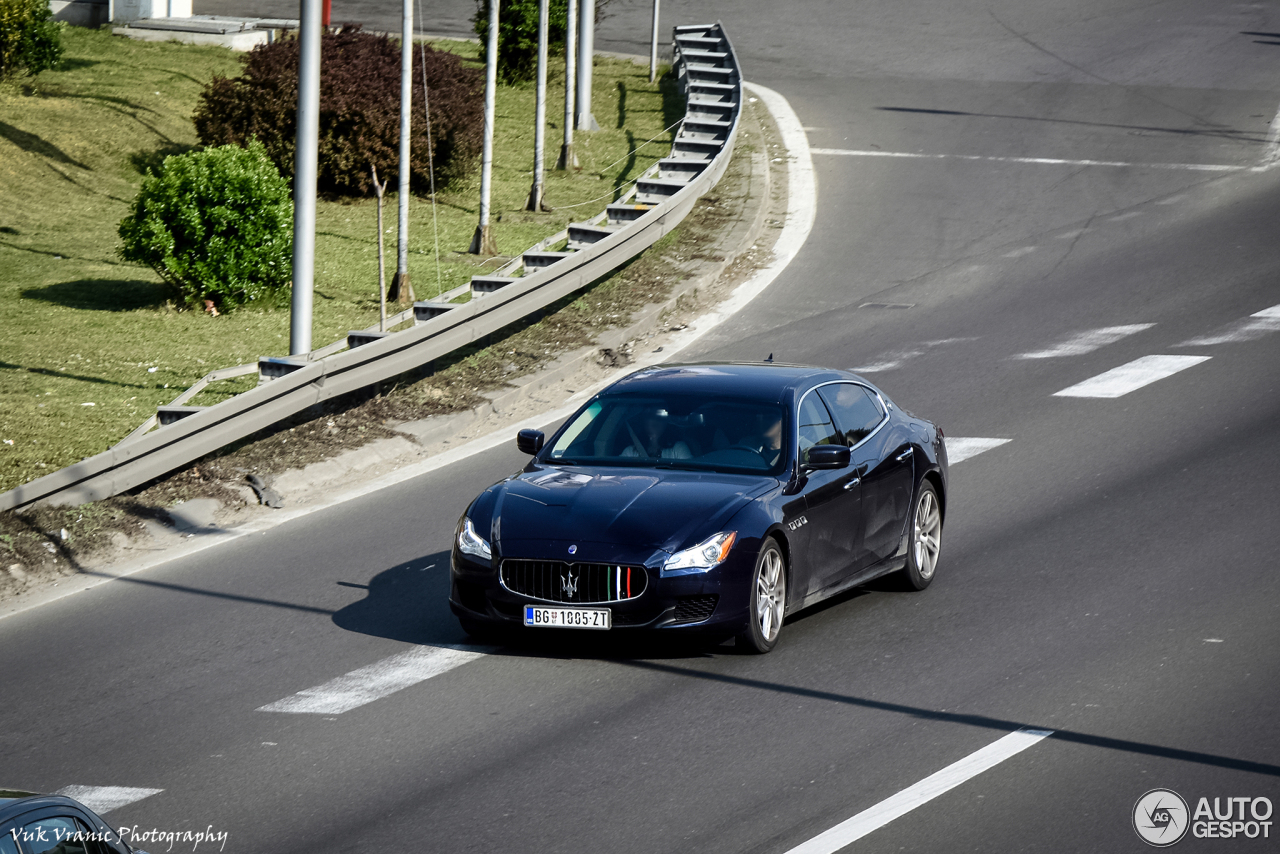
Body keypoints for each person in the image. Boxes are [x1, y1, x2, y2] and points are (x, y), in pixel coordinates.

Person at [621, 408, 692, 459]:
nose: (655, 421)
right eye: (651, 416)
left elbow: (688, 474)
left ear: (666, 423)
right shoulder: (630, 452)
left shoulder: (678, 448)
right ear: (644, 423)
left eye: (659, 418)